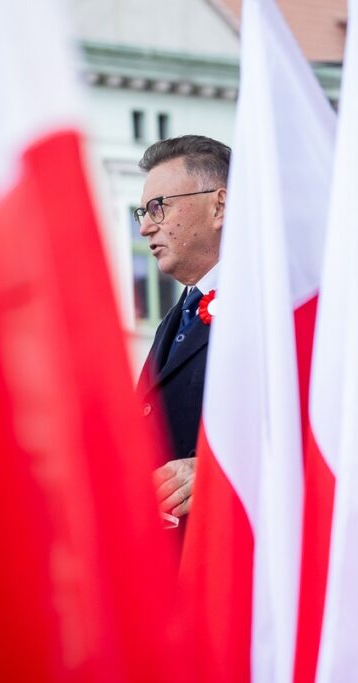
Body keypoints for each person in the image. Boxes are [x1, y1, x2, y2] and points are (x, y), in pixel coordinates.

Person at [133, 135, 229, 531]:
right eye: (141, 211)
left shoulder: (275, 307)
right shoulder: (175, 319)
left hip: (231, 553)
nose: (144, 228)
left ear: (219, 205)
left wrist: (215, 472)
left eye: (158, 207)